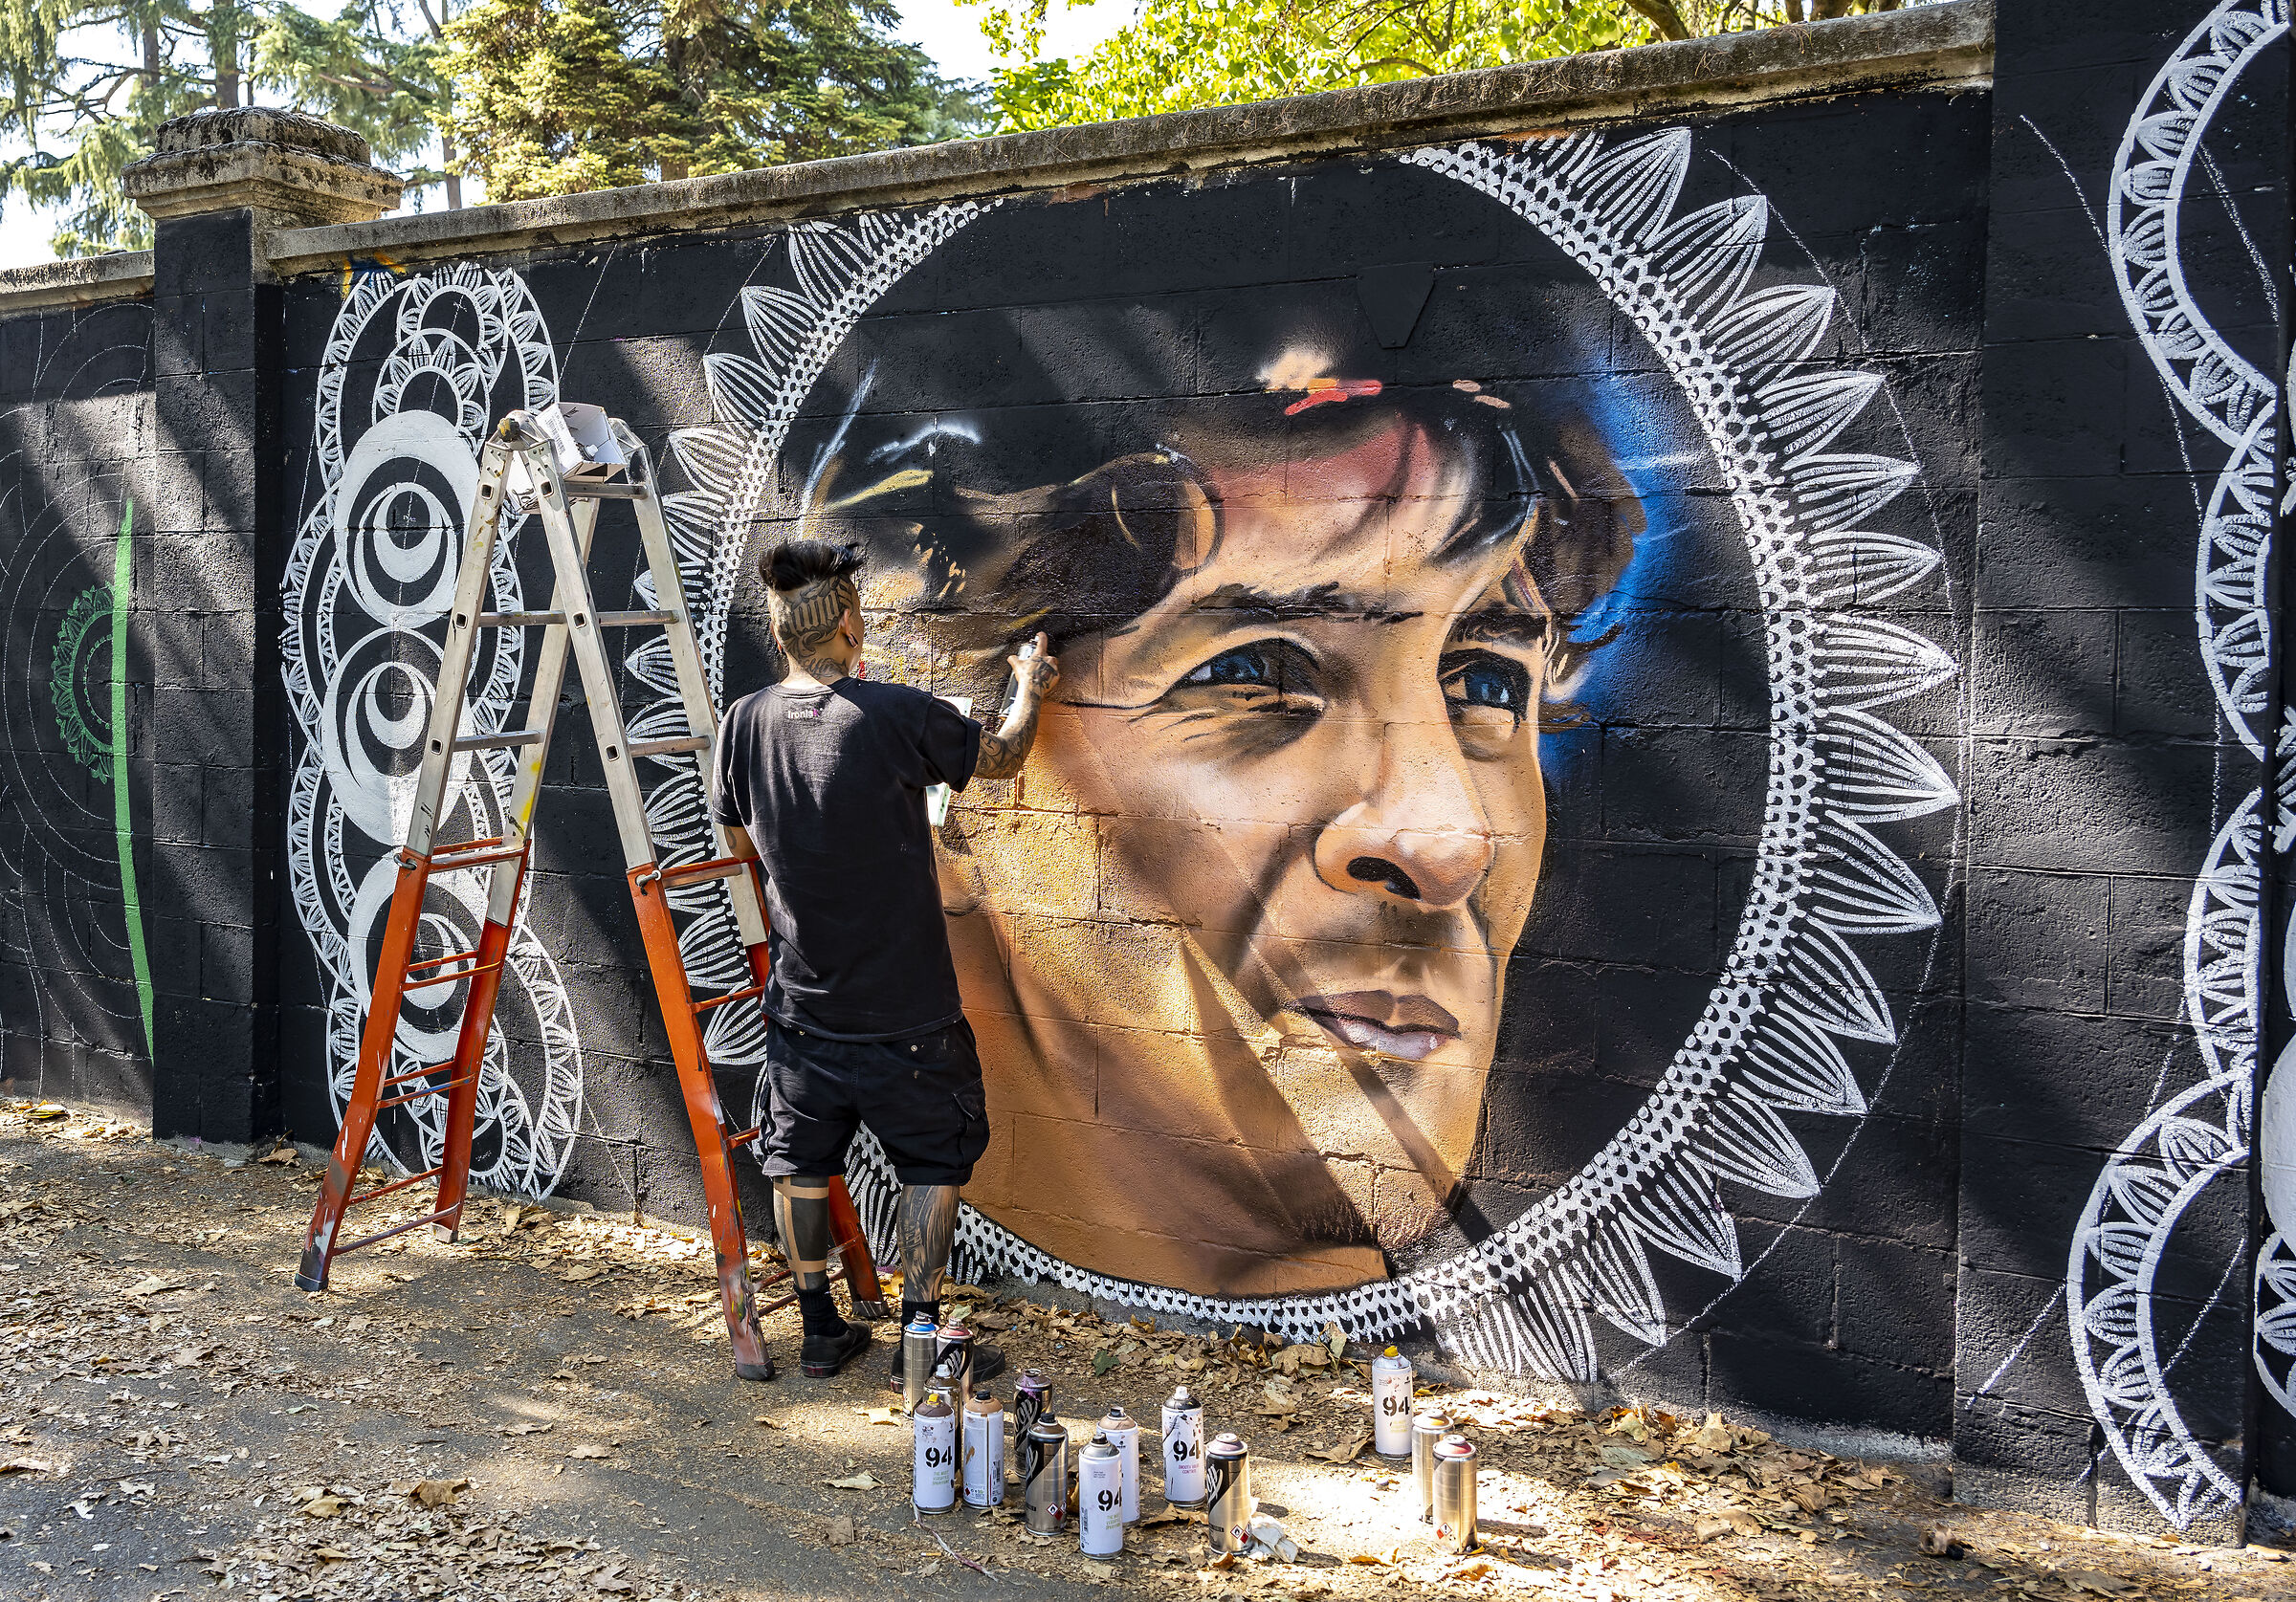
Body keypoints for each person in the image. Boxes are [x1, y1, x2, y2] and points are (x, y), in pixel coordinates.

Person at [709, 536, 1060, 1377]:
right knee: (931, 1159)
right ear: (851, 627)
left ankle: (821, 1331)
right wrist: (1028, 686)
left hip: (802, 1006)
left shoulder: (743, 722)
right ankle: (921, 1340)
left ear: (782, 632)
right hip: (910, 1013)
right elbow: (1004, 757)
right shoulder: (896, 713)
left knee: (798, 1160)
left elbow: (735, 836)